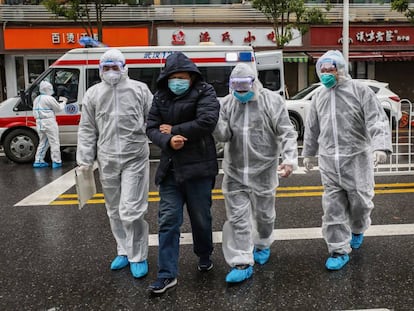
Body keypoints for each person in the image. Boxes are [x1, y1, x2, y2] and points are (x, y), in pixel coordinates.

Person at [302, 50, 392, 271]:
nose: (325, 73)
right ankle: (338, 249)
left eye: (330, 69)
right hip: (329, 161)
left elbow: (376, 119)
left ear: (340, 69)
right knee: (332, 208)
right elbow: (312, 128)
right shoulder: (319, 97)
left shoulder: (359, 91)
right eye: (322, 69)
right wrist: (308, 153)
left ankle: (358, 228)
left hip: (356, 159)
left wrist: (380, 146)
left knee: (361, 202)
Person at [213, 63, 298, 284]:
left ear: (255, 82)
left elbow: (286, 132)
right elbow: (222, 136)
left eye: (244, 86)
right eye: (236, 87)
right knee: (238, 219)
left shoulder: (272, 101)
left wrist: (289, 159)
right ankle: (241, 261)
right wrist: (214, 121)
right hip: (235, 172)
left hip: (264, 171)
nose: (240, 91)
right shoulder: (227, 104)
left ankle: (262, 242)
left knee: (264, 216)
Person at [146, 52, 219, 294]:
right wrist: (167, 140)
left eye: (182, 77)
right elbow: (151, 127)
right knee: (168, 221)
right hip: (171, 170)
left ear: (191, 76)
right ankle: (167, 274)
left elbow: (208, 121)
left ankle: (204, 254)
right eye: (173, 77)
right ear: (166, 77)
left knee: (201, 219)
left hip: (199, 168)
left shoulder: (205, 91)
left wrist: (176, 130)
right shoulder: (161, 96)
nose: (178, 81)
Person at [76, 48, 153, 279]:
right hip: (107, 157)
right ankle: (123, 249)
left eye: (115, 67)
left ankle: (138, 255)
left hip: (135, 157)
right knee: (114, 209)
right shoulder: (93, 94)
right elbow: (87, 129)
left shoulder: (139, 90)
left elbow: (154, 119)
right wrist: (85, 161)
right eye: (106, 67)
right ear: (100, 70)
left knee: (132, 209)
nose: (111, 71)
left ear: (124, 67)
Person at [33, 80, 66, 169]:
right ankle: (56, 161)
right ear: (48, 89)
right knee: (54, 142)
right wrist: (64, 102)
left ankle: (38, 161)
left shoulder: (37, 99)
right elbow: (58, 108)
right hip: (49, 122)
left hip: (39, 123)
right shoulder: (49, 98)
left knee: (43, 142)